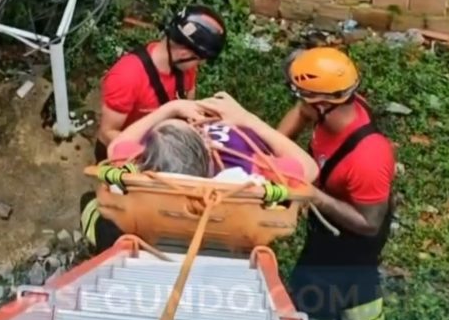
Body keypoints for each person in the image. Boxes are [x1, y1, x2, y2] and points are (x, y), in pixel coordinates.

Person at [80, 94, 317, 253]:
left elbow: (116, 146)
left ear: (147, 155)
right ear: (204, 150)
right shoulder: (244, 177)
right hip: (222, 236)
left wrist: (169, 109)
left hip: (147, 228)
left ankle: (97, 240)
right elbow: (308, 168)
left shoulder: (138, 175)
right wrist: (248, 119)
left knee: (90, 205)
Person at [277, 47, 395, 320]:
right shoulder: (333, 106)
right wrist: (274, 147)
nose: (301, 103)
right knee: (322, 272)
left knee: (325, 280)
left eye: (304, 96)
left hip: (356, 225)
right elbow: (302, 113)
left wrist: (314, 196)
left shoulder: (368, 157)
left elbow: (368, 224)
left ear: (322, 103)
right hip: (330, 211)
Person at [95, 5, 226, 162]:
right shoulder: (127, 77)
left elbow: (188, 107)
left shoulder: (185, 68)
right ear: (184, 53)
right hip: (125, 155)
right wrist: (151, 155)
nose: (198, 66)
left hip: (166, 144)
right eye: (199, 60)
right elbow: (107, 132)